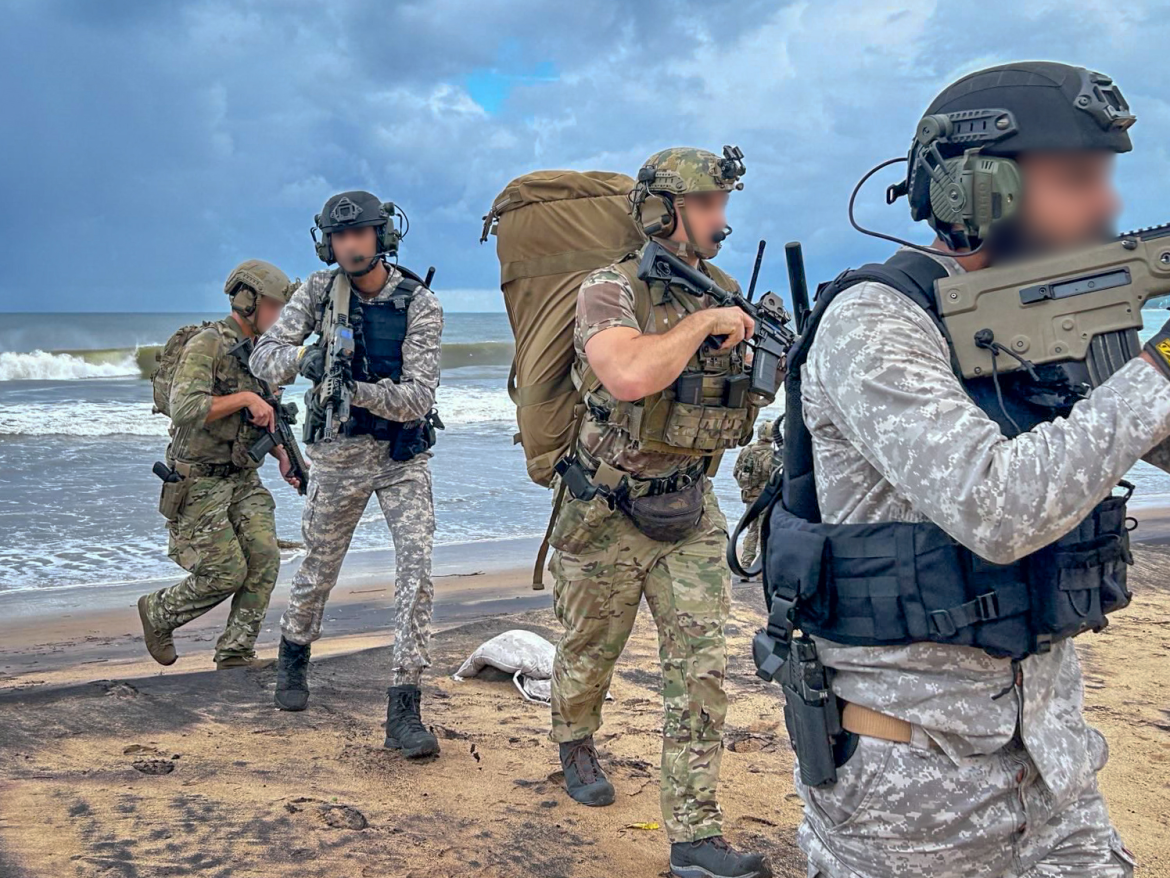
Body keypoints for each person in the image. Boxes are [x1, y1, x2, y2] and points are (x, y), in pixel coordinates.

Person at [771, 62, 1169, 877]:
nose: (1109, 205)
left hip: (1052, 767)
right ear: (976, 192)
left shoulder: (1053, 316)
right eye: (1078, 180)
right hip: (913, 796)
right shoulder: (873, 323)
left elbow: (1132, 435)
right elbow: (998, 506)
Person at [548, 147, 772, 878]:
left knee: (702, 670)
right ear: (662, 212)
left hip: (688, 508)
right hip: (605, 509)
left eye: (723, 204)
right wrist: (706, 322)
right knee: (590, 654)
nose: (721, 220)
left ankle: (695, 838)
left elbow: (738, 397)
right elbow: (629, 372)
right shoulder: (608, 290)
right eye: (708, 205)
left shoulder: (725, 290)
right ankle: (575, 738)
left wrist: (761, 351)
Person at [249, 190, 444, 760]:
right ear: (327, 242)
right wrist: (304, 361)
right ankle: (293, 658)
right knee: (317, 568)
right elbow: (264, 356)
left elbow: (417, 397)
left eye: (359, 234)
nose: (350, 246)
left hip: (400, 458)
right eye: (339, 237)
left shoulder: (419, 303)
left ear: (382, 237)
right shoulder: (317, 291)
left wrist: (352, 389)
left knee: (417, 570)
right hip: (338, 455)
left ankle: (404, 707)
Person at [137, 260, 299, 670]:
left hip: (241, 475)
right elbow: (185, 407)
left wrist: (284, 457)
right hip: (199, 481)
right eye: (275, 307)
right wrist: (246, 399)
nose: (281, 317)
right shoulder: (208, 344)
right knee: (226, 572)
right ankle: (158, 613)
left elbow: (267, 414)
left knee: (264, 558)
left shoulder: (261, 353)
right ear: (248, 302)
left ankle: (235, 652)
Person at [732, 416, 781, 574]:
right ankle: (762, 568)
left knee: (751, 531)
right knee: (765, 531)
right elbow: (776, 477)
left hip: (750, 496)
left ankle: (746, 564)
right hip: (766, 498)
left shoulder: (746, 451)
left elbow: (735, 472)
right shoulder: (774, 455)